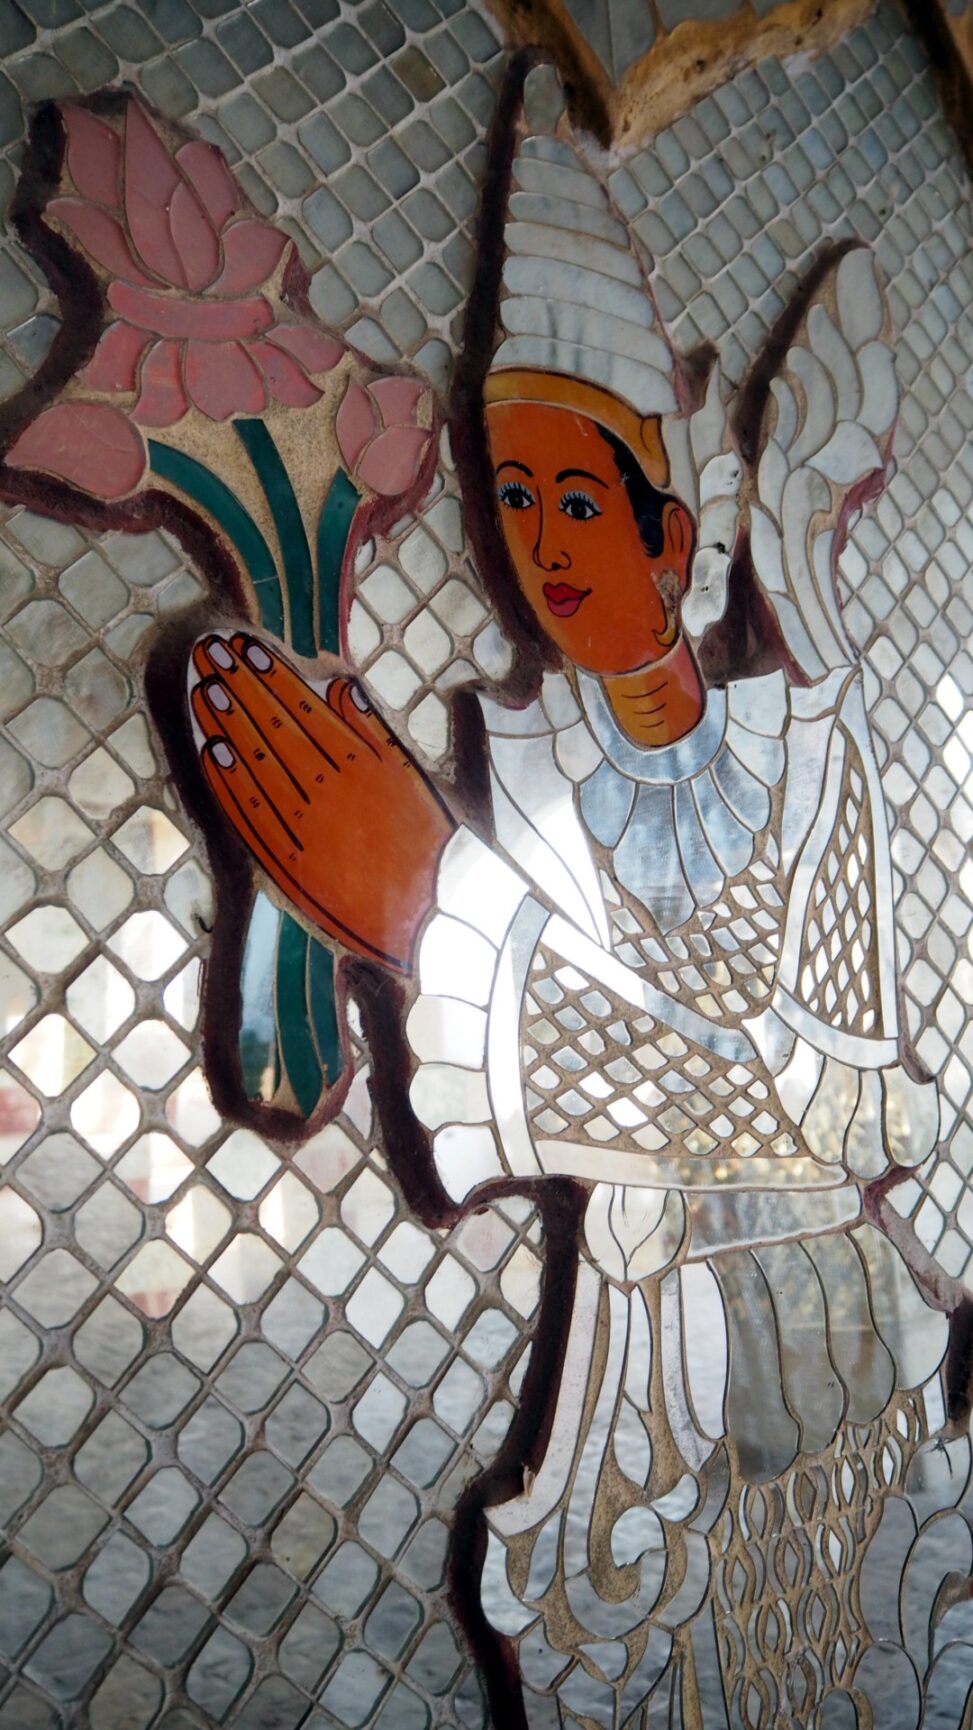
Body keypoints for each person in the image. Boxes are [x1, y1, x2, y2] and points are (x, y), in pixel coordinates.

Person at [189, 71, 954, 1730]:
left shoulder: (807, 751)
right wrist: (444, 908)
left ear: (670, 532)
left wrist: (439, 915)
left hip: (851, 1359)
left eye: (579, 501)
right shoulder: (518, 765)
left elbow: (827, 1105)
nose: (540, 542)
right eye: (514, 496)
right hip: (641, 1374)